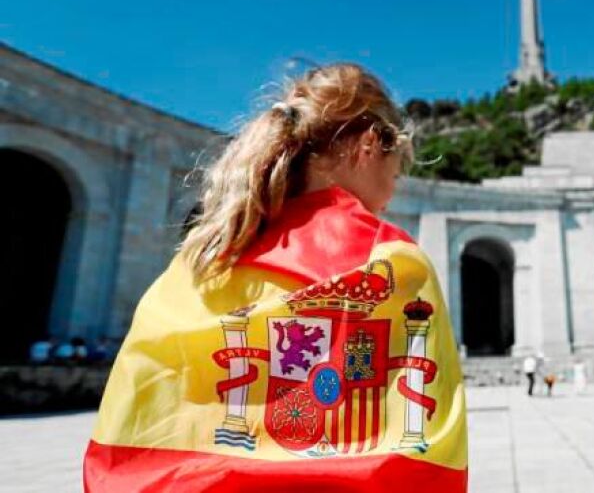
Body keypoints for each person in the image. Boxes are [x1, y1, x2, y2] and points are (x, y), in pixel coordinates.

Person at [84, 65, 468, 492]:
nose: (391, 194)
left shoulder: (201, 259)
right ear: (369, 145)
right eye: (395, 174)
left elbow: (132, 426)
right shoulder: (391, 261)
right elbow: (427, 446)